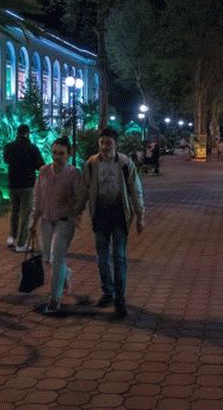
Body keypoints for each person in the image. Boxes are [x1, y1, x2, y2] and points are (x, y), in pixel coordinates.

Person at [74, 127, 145, 319]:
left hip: (120, 216)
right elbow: (84, 189)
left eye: (109, 143)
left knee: (119, 257)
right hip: (100, 215)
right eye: (102, 143)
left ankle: (120, 299)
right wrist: (77, 211)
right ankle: (108, 292)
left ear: (116, 144)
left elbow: (135, 190)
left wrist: (140, 216)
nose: (105, 147)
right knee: (102, 257)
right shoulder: (91, 164)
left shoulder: (125, 163)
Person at [31, 137, 81, 315]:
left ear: (69, 154)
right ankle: (65, 275)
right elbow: (37, 197)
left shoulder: (74, 173)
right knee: (47, 259)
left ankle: (55, 298)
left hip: (64, 221)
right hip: (46, 221)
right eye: (54, 153)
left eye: (61, 153)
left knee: (56, 259)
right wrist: (33, 222)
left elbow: (80, 198)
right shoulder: (44, 171)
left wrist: (73, 208)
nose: (57, 157)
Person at [3, 124, 45, 252]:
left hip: (13, 183)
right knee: (25, 214)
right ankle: (21, 243)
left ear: (17, 133)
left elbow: (6, 160)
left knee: (14, 211)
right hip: (27, 184)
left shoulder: (9, 147)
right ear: (28, 133)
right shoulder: (33, 148)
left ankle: (12, 237)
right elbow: (40, 165)